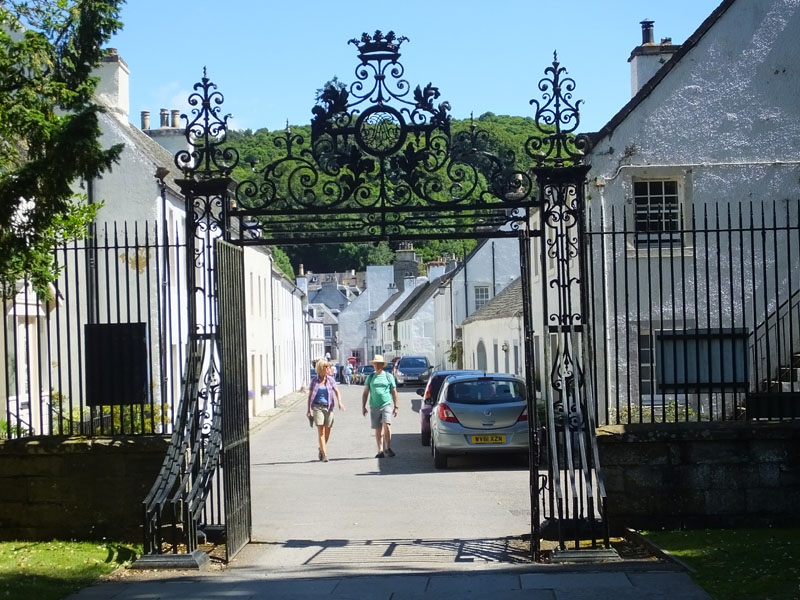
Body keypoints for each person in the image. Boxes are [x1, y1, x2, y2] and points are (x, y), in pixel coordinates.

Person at [361, 354, 399, 458]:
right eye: (375, 364)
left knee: (387, 425)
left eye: (378, 364)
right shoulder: (371, 377)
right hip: (374, 406)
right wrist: (363, 406)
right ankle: (380, 450)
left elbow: (394, 391)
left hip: (386, 404)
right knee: (378, 429)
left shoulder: (388, 376)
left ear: (382, 365)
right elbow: (365, 393)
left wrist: (396, 407)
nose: (376, 366)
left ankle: (388, 447)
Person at [307, 360, 345, 462]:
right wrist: (308, 410)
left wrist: (340, 402)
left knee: (328, 429)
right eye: (326, 368)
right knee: (321, 431)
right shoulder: (314, 381)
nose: (328, 369)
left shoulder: (331, 380)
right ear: (320, 369)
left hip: (328, 407)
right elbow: (310, 396)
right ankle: (324, 455)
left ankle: (321, 448)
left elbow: (337, 392)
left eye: (328, 367)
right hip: (317, 407)